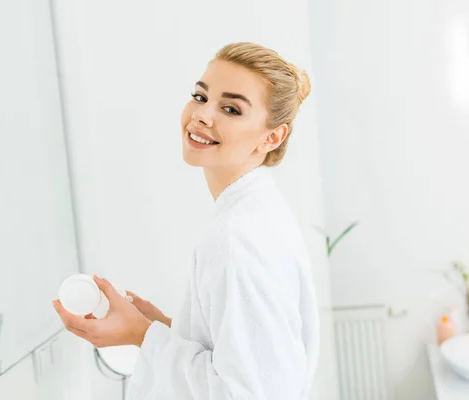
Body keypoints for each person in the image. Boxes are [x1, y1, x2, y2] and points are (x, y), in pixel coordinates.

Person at [54, 42, 320, 400]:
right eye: (200, 96)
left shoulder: (236, 237)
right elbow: (247, 360)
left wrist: (140, 335)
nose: (202, 115)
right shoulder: (257, 213)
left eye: (230, 108)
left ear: (272, 136)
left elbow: (252, 393)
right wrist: (160, 327)